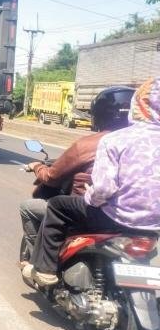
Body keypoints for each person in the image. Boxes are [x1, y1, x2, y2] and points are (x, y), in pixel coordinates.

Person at [24, 77, 160, 287]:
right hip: (153, 226)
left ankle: (45, 270)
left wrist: (90, 195)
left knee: (57, 205)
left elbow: (103, 188)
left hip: (116, 218)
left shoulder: (114, 140)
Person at [19, 86, 135, 256]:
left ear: (99, 115)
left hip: (95, 214)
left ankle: (40, 263)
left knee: (31, 207)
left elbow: (51, 177)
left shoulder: (91, 144)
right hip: (138, 218)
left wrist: (37, 166)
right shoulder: (147, 144)